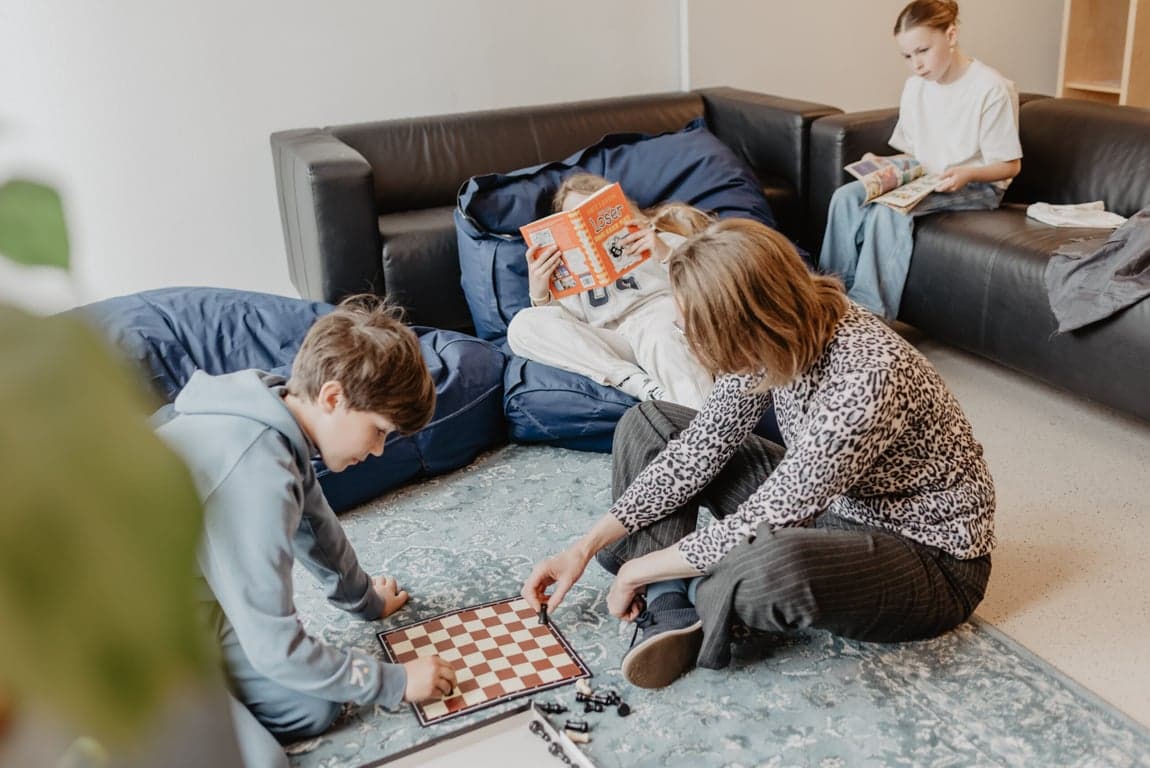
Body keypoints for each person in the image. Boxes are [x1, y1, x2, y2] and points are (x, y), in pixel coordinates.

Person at [521, 219, 996, 690]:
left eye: (690, 326)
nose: (684, 333)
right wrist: (583, 547)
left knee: (770, 567)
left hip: (929, 559)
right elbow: (700, 448)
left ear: (743, 323)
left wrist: (634, 569)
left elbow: (768, 517)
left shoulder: (868, 377)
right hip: (830, 507)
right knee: (651, 422)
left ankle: (687, 589)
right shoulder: (776, 332)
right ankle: (672, 602)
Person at [155, 296, 456, 766]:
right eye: (379, 430)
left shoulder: (279, 420)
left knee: (314, 706)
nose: (379, 450)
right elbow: (275, 647)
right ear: (333, 398)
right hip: (129, 633)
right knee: (264, 761)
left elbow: (318, 529)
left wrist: (366, 601)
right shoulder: (256, 473)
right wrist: (395, 682)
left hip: (196, 603)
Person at [818, 0, 1023, 320]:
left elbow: (1010, 166)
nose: (916, 64)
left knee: (889, 210)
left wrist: (967, 174)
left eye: (923, 51)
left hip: (978, 186)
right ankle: (829, 297)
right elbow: (916, 154)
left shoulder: (991, 88)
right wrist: (884, 163)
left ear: (951, 35)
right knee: (845, 198)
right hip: (926, 175)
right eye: (907, 56)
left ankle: (869, 315)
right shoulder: (915, 87)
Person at [506, 173, 715, 408]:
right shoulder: (568, 272)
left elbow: (708, 284)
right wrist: (540, 293)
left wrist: (664, 253)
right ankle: (636, 383)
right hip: (611, 342)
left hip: (658, 321)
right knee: (521, 326)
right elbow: (566, 329)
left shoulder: (659, 239)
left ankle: (702, 416)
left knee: (661, 331)